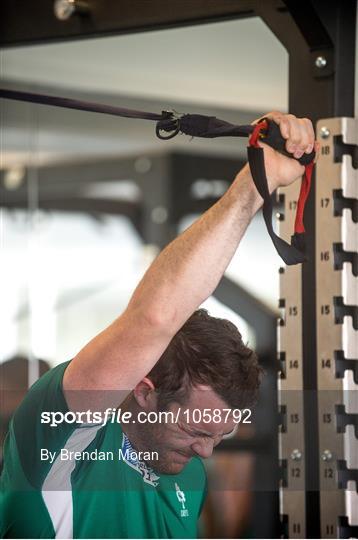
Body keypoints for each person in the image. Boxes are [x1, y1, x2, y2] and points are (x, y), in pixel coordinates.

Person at [0, 111, 317, 539]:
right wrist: (256, 182)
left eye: (219, 436)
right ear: (145, 392)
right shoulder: (66, 437)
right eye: (196, 430)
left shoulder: (188, 477)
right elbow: (154, 317)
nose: (206, 451)